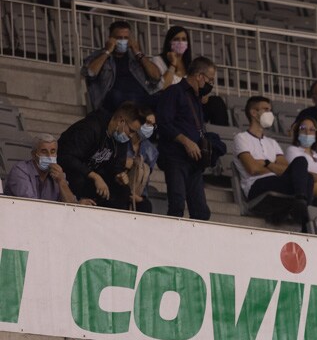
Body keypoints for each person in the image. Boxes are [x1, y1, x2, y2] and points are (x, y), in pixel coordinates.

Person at [233, 97, 316, 226]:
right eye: (266, 110)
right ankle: (302, 216)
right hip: (256, 185)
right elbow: (252, 169)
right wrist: (274, 166)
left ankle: (299, 205)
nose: (270, 114)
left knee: (303, 166)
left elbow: (287, 169)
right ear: (253, 113)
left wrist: (266, 163)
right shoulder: (241, 138)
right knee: (305, 178)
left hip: (276, 181)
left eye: (270, 110)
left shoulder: (272, 143)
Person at [155, 56, 217, 220]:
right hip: (175, 158)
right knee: (177, 204)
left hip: (193, 161)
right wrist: (185, 141)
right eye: (210, 79)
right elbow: (163, 122)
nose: (211, 84)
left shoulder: (196, 99)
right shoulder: (174, 92)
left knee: (201, 212)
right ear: (199, 76)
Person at [57, 101, 143, 209]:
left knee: (123, 191)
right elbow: (66, 157)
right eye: (131, 130)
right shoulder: (90, 127)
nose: (131, 136)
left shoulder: (121, 139)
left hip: (93, 177)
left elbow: (117, 166)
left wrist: (119, 176)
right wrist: (94, 176)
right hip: (72, 173)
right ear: (121, 121)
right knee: (81, 181)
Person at [82, 20, 160, 113]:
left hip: (139, 98)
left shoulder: (135, 57)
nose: (123, 41)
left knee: (163, 98)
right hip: (113, 100)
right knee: (119, 96)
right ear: (110, 38)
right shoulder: (99, 56)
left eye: (126, 38)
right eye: (119, 38)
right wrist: (107, 52)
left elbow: (156, 77)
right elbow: (90, 73)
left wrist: (138, 52)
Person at [5, 133, 85, 204]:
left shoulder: (58, 175)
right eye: (44, 152)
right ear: (33, 154)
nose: (49, 156)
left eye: (53, 151)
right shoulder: (20, 170)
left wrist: (61, 181)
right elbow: (29, 204)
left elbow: (72, 206)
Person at [124, 108, 157, 212]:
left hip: (138, 195)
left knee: (146, 206)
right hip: (118, 188)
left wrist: (139, 198)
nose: (150, 127)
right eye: (147, 122)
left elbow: (144, 179)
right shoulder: (122, 140)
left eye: (153, 125)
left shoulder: (152, 150)